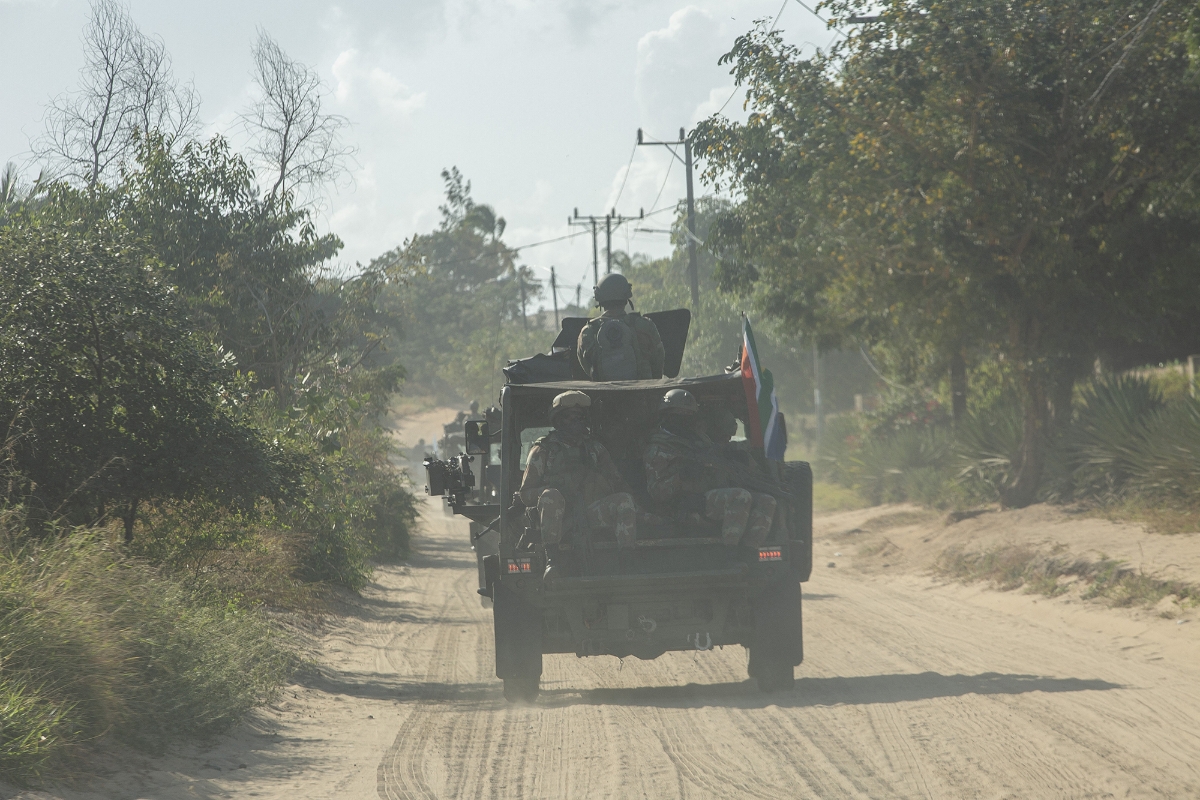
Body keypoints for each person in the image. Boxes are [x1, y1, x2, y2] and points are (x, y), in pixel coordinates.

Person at [643, 389, 776, 546]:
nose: (683, 419)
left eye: (688, 415)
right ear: (667, 416)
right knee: (740, 496)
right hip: (683, 506)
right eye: (679, 415)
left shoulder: (697, 439)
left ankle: (748, 552)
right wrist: (682, 476)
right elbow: (656, 492)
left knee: (767, 501)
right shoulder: (659, 448)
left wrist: (731, 455)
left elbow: (715, 457)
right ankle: (729, 553)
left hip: (709, 497)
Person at [518, 391, 636, 563]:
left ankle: (627, 560)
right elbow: (525, 494)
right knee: (551, 497)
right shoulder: (544, 450)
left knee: (624, 500)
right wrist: (551, 491)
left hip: (590, 512)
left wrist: (600, 484)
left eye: (579, 417)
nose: (575, 422)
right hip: (558, 518)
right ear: (559, 420)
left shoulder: (595, 449)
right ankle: (552, 559)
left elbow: (618, 483)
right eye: (569, 417)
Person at [576, 273, 666, 380]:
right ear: (626, 298)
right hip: (643, 393)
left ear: (600, 299)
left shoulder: (588, 332)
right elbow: (658, 361)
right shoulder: (644, 326)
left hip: (603, 395)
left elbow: (586, 367)